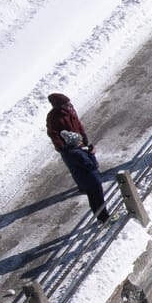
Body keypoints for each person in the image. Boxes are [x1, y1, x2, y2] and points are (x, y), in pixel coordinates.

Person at [45, 93, 112, 222]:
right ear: (58, 106)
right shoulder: (53, 117)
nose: (69, 105)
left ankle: (87, 184)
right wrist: (62, 146)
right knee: (83, 170)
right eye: (66, 104)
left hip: (78, 143)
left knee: (84, 170)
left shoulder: (71, 110)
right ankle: (101, 214)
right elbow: (53, 134)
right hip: (69, 147)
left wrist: (85, 140)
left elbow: (79, 125)